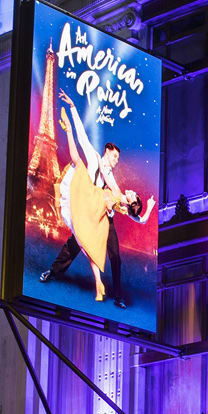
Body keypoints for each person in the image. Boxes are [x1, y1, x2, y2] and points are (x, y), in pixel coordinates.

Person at [41, 93, 153, 306]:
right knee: (74, 244)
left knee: (115, 255)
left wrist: (141, 209)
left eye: (118, 159)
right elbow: (82, 136)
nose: (116, 161)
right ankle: (53, 272)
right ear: (107, 151)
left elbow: (126, 207)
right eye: (114, 157)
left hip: (102, 218)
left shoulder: (111, 180)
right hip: (85, 210)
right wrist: (73, 107)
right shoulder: (93, 158)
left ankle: (118, 296)